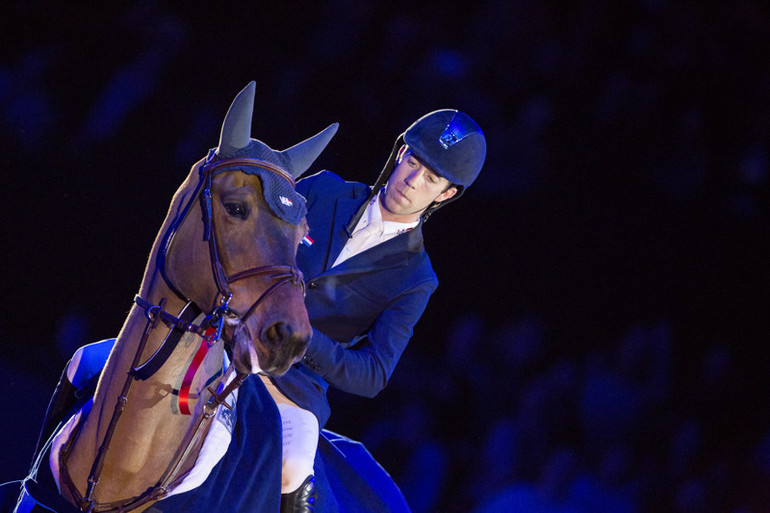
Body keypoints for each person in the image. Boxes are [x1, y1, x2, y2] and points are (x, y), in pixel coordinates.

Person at [271, 107, 486, 512]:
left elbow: (374, 373)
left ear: (445, 194)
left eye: (431, 178)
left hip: (293, 384)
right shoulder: (323, 190)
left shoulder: (416, 278)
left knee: (293, 465)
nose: (412, 181)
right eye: (414, 163)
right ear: (401, 153)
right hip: (226, 334)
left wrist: (304, 337)